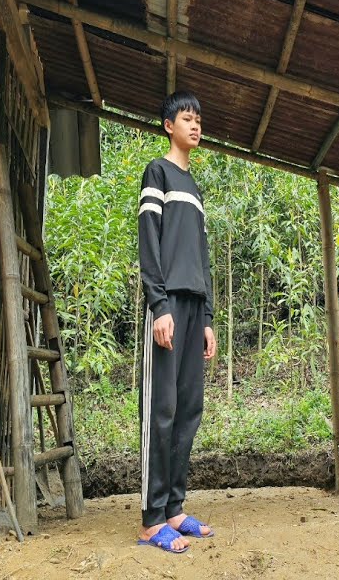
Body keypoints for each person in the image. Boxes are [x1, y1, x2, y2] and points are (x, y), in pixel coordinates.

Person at [136, 91, 218, 553]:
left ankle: (174, 509)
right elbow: (150, 242)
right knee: (160, 410)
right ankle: (151, 520)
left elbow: (202, 257)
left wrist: (207, 318)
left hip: (194, 310)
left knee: (188, 408)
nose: (195, 125)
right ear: (169, 125)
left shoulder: (197, 188)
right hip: (166, 309)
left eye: (199, 120)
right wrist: (158, 306)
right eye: (187, 118)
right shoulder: (158, 173)